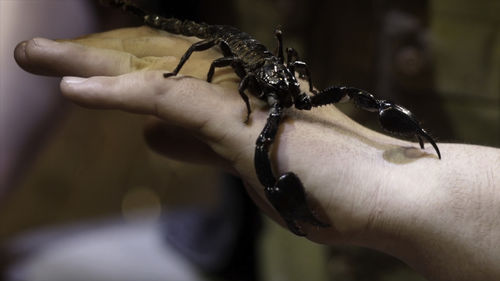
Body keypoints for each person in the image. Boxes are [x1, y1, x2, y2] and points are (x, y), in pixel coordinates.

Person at [14, 27, 500, 280]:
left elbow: (337, 90)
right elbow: (245, 87)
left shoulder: (295, 87)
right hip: (245, 249)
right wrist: (247, 100)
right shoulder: (253, 85)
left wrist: (399, 188)